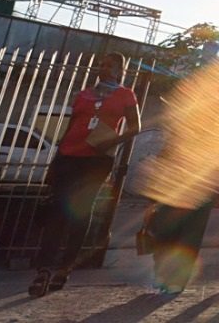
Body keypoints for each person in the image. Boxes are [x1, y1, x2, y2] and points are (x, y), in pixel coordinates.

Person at [28, 51, 140, 298]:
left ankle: (65, 267)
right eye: (102, 64)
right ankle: (44, 269)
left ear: (120, 70)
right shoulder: (84, 94)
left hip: (98, 160)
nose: (103, 68)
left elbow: (135, 127)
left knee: (80, 213)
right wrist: (55, 160)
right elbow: (70, 127)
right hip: (69, 156)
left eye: (109, 65)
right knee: (57, 211)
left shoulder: (125, 95)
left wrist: (111, 141)